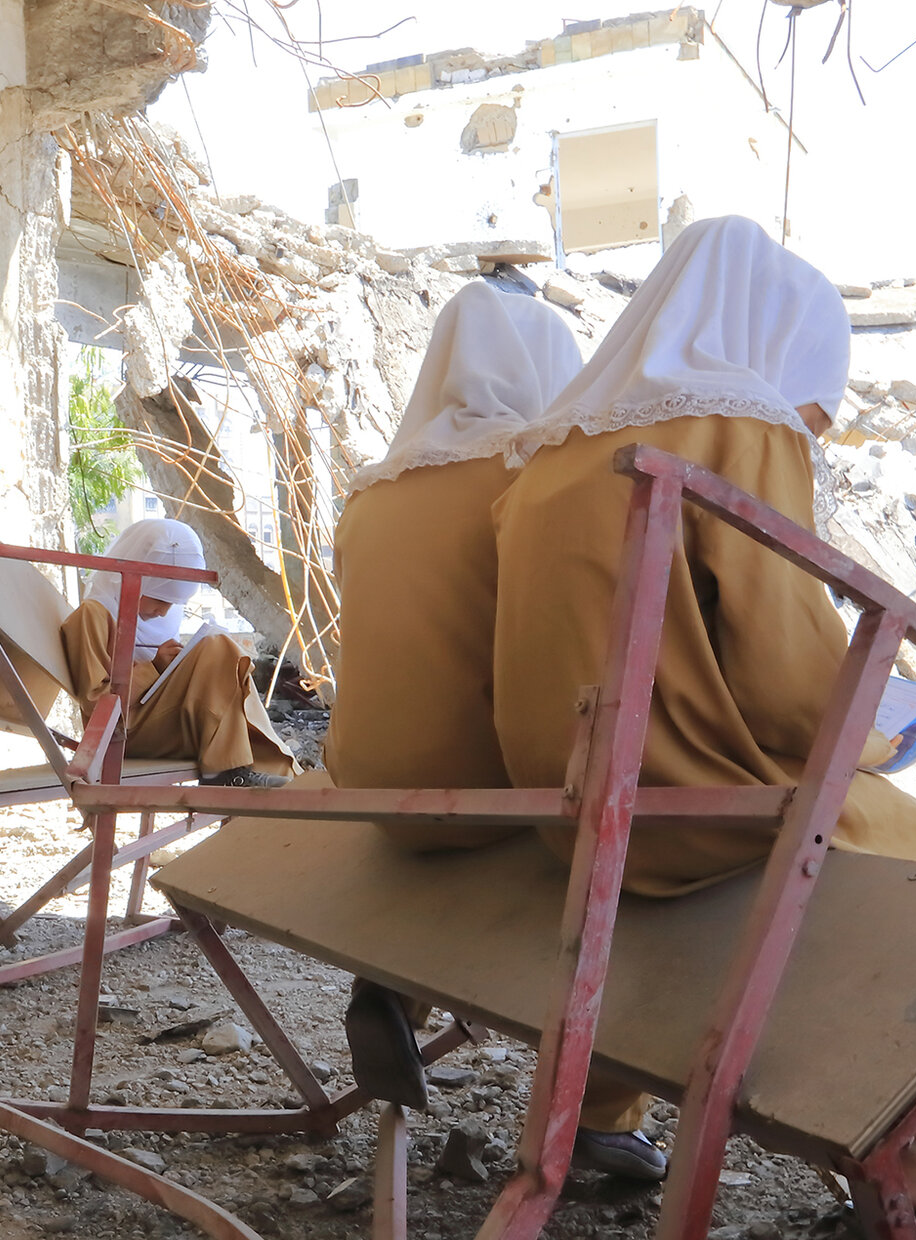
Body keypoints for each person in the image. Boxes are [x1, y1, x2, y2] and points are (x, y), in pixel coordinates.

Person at [490, 216, 916, 1240]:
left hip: (564, 804)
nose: (808, 423)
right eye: (814, 403)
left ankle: (629, 1124)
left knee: (785, 867)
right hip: (680, 801)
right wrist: (884, 736)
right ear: (779, 351)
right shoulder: (735, 422)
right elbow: (793, 677)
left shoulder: (551, 453)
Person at [324, 280, 583, 1111]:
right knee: (622, 813)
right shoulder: (536, 477)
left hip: (361, 774)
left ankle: (396, 987)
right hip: (476, 782)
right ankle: (602, 1113)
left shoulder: (370, 491)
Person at [59, 518, 294, 787]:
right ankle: (229, 773)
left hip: (156, 722)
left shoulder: (152, 621)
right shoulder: (93, 615)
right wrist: (154, 668)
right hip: (123, 733)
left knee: (221, 656)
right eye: (160, 600)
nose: (164, 612)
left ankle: (260, 771)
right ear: (136, 582)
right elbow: (95, 702)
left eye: (173, 604)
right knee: (217, 647)